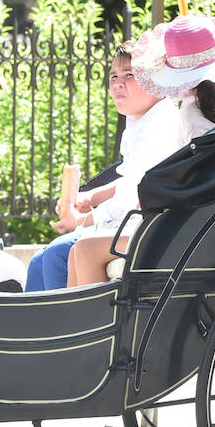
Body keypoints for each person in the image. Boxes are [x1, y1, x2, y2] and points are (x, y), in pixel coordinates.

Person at [65, 15, 215, 286]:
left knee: (84, 250)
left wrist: (153, 197)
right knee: (80, 249)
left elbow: (203, 174)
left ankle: (92, 327)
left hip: (192, 224)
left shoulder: (192, 113)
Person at [25, 40, 181, 292]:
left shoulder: (159, 126)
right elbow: (132, 177)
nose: (118, 83)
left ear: (156, 82)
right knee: (38, 260)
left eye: (130, 75)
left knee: (54, 256)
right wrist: (92, 195)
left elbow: (130, 197)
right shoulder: (141, 117)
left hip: (139, 224)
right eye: (114, 75)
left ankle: (60, 329)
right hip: (126, 220)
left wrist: (81, 221)